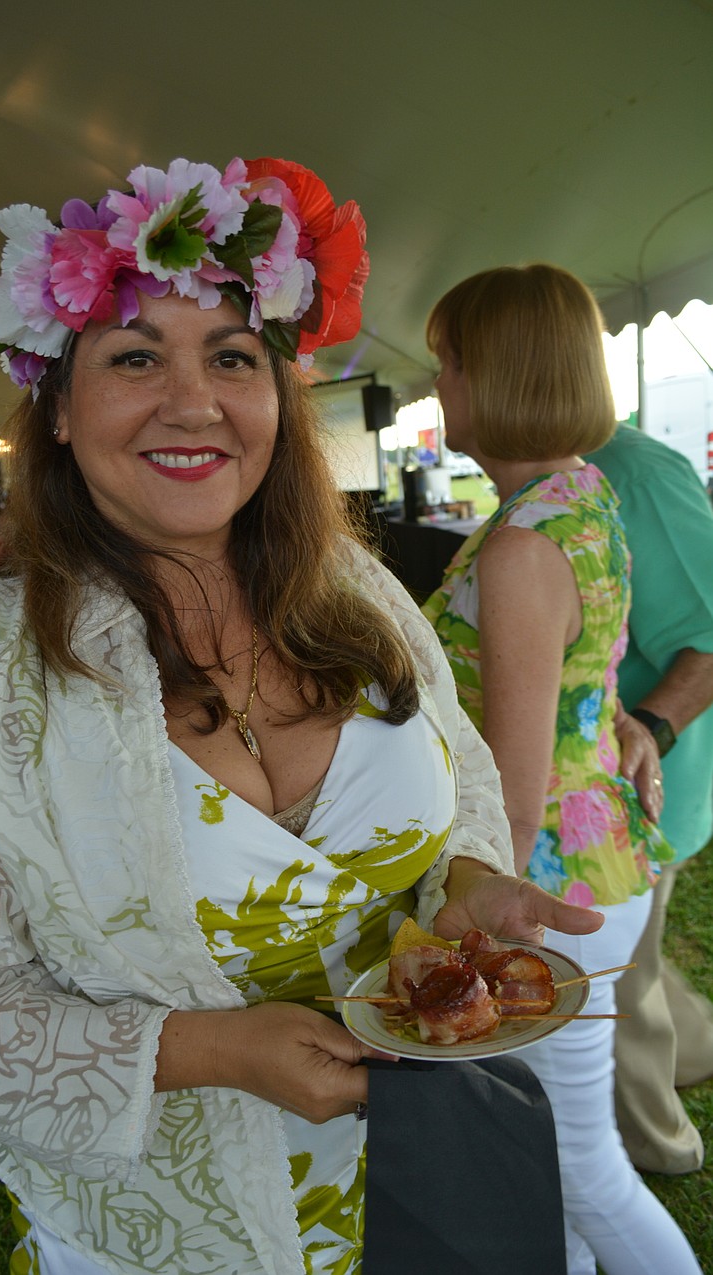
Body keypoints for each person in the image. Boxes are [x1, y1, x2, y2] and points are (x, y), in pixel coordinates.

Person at [0, 156, 602, 1275]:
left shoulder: (359, 592)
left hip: (422, 1184)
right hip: (162, 1231)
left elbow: (465, 778)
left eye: (230, 356)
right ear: (56, 410)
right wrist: (204, 1049)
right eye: (132, 357)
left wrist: (462, 876)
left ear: (276, 393)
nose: (193, 399)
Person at [421, 264, 701, 1275]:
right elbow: (594, 669)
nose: (439, 381)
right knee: (552, 1158)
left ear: (494, 373)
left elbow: (516, 775)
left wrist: (463, 898)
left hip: (549, 883)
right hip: (594, 862)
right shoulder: (578, 494)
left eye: (446, 360)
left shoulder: (523, 541)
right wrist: (621, 723)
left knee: (576, 1165)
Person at [585, 423, 713, 1174]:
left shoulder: (633, 469)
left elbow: (709, 629)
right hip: (617, 788)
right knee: (636, 961)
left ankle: (660, 1149)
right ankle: (696, 1046)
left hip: (641, 788)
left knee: (620, 983)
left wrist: (649, 734)